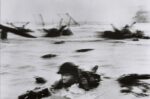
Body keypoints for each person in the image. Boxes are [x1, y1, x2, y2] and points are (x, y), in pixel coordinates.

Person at [18, 62, 101, 99]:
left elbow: (87, 94)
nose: (63, 77)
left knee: (91, 74)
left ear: (74, 76)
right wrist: (36, 92)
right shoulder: (62, 80)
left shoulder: (82, 81)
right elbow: (51, 88)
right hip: (76, 73)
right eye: (62, 75)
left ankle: (93, 70)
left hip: (87, 77)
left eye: (67, 75)